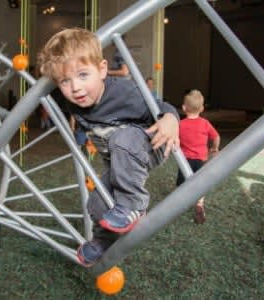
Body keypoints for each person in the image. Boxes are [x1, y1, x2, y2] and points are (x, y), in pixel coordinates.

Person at [38, 28, 180, 267]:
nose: (75, 88)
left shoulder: (123, 93)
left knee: (122, 139)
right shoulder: (72, 100)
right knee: (97, 202)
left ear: (102, 69)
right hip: (117, 160)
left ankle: (134, 202)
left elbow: (160, 106)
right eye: (65, 81)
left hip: (148, 145)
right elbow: (44, 86)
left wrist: (171, 119)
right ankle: (103, 241)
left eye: (83, 75)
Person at [176, 89, 220, 224]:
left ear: (183, 108)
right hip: (201, 159)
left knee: (181, 183)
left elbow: (175, 139)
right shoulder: (205, 123)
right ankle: (200, 204)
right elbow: (216, 136)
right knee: (200, 183)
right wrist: (215, 148)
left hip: (185, 160)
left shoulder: (180, 124)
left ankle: (179, 204)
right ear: (201, 108)